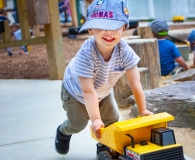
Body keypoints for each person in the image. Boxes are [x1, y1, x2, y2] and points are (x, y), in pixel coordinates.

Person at [54, 0, 154, 157]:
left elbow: (135, 83)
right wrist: (95, 119)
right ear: (91, 30)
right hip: (76, 90)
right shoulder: (87, 53)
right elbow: (87, 91)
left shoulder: (124, 51)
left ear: (123, 28)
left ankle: (103, 146)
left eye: (114, 26)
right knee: (78, 124)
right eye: (102, 26)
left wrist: (143, 110)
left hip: (102, 88)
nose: (109, 32)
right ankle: (63, 131)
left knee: (112, 120)